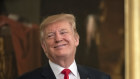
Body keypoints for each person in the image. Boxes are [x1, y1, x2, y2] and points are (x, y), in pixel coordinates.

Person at [17, 13, 111, 79]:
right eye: (50, 35)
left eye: (63, 32)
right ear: (44, 46)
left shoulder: (102, 77)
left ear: (76, 39)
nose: (58, 39)